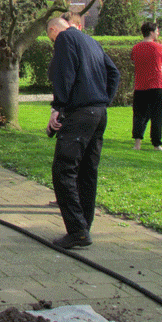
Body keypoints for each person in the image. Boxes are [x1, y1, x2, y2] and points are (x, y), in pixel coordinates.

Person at [46, 17, 120, 249]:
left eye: (51, 39)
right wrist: (103, 100)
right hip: (99, 113)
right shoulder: (91, 42)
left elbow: (64, 73)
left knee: (64, 170)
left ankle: (77, 230)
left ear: (53, 30)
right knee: (87, 171)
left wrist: (58, 107)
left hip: (80, 113)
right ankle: (84, 225)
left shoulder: (65, 38)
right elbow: (114, 73)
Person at [131, 21, 162, 151]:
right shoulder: (159, 47)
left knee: (139, 115)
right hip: (156, 85)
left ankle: (137, 144)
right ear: (152, 32)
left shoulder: (136, 48)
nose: (158, 33)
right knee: (157, 115)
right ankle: (156, 144)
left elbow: (133, 61)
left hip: (140, 86)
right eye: (157, 31)